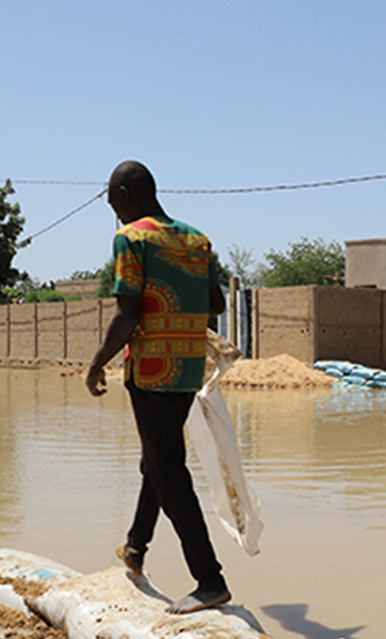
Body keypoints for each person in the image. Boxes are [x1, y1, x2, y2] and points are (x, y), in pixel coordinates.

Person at [86, 160, 231, 615]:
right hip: (186, 371)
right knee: (160, 458)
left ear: (127, 194)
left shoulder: (132, 239)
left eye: (114, 205)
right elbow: (217, 303)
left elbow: (128, 316)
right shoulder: (197, 239)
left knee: (169, 471)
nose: (117, 215)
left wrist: (96, 365)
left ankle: (210, 580)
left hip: (150, 370)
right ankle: (135, 548)